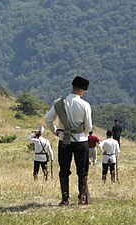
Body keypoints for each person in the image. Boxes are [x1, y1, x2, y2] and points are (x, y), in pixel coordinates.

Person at [45, 76, 92, 206]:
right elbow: (89, 127)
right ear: (82, 90)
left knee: (64, 170)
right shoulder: (85, 105)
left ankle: (65, 199)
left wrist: (56, 131)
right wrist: (84, 133)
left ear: (72, 87)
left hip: (64, 141)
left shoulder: (59, 103)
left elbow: (48, 119)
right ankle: (82, 198)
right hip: (81, 140)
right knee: (82, 171)